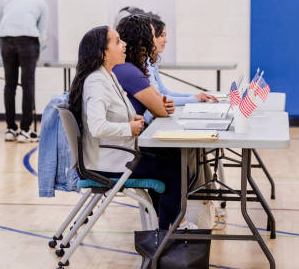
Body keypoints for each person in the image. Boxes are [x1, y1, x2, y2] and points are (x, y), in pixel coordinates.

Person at [68, 26, 181, 230]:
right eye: (118, 41)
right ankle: (166, 232)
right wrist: (128, 128)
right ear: (103, 52)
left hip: (116, 154)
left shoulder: (107, 76)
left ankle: (165, 226)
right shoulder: (96, 82)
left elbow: (116, 114)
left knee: (172, 156)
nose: (124, 45)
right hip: (108, 162)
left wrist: (133, 119)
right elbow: (97, 127)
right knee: (175, 166)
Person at [0, 0, 48, 142]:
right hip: (28, 40)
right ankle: (25, 130)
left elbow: (2, 23)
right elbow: (42, 32)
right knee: (28, 84)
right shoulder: (39, 1)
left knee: (9, 85)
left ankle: (10, 129)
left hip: (6, 40)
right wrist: (38, 51)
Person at [112, 15, 174, 121]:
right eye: (154, 36)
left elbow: (159, 98)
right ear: (144, 40)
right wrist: (161, 105)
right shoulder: (129, 71)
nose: (156, 40)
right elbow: (161, 111)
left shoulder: (127, 66)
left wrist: (162, 104)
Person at [147, 15, 218, 105]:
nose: (166, 40)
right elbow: (160, 98)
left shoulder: (152, 61)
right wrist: (194, 99)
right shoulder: (145, 63)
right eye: (162, 35)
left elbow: (165, 92)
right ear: (150, 38)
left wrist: (197, 96)